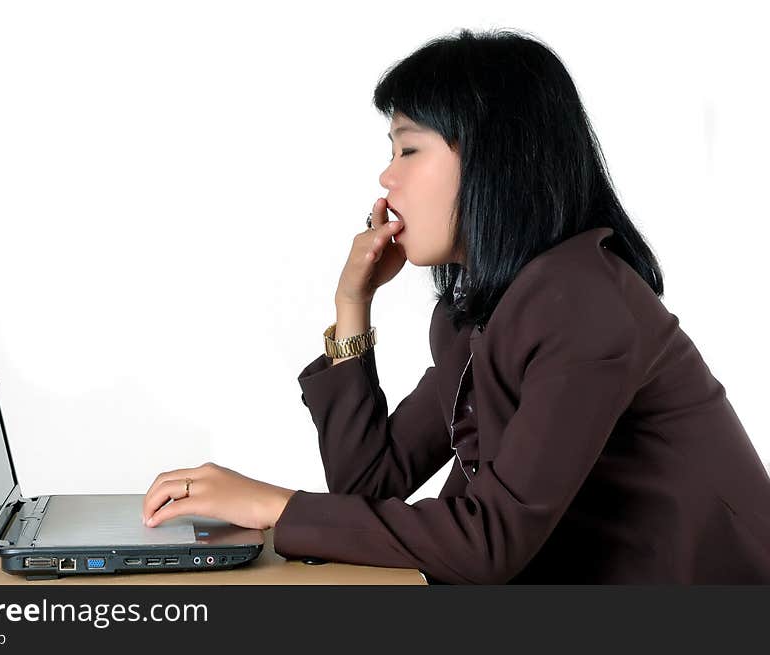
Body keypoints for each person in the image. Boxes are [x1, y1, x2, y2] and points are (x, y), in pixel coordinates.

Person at [142, 28, 770, 583]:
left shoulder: (584, 301)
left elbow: (488, 545)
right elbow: (371, 486)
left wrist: (272, 507)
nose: (388, 178)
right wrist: (352, 306)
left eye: (408, 150)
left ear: (494, 161)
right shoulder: (483, 310)